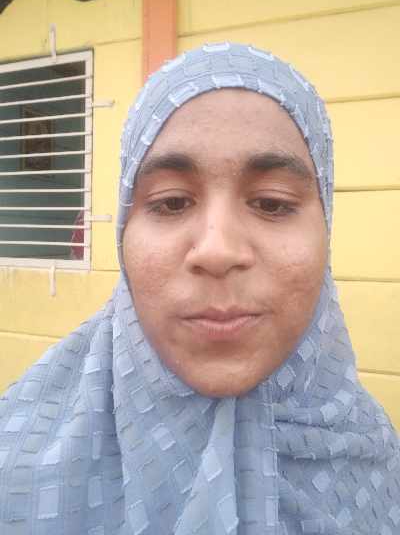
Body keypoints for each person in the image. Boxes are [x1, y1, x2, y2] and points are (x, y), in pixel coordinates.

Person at [0, 42, 399, 534]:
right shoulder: (17, 473)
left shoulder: (373, 456)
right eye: (171, 202)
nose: (217, 250)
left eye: (272, 202)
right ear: (123, 230)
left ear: (326, 227)